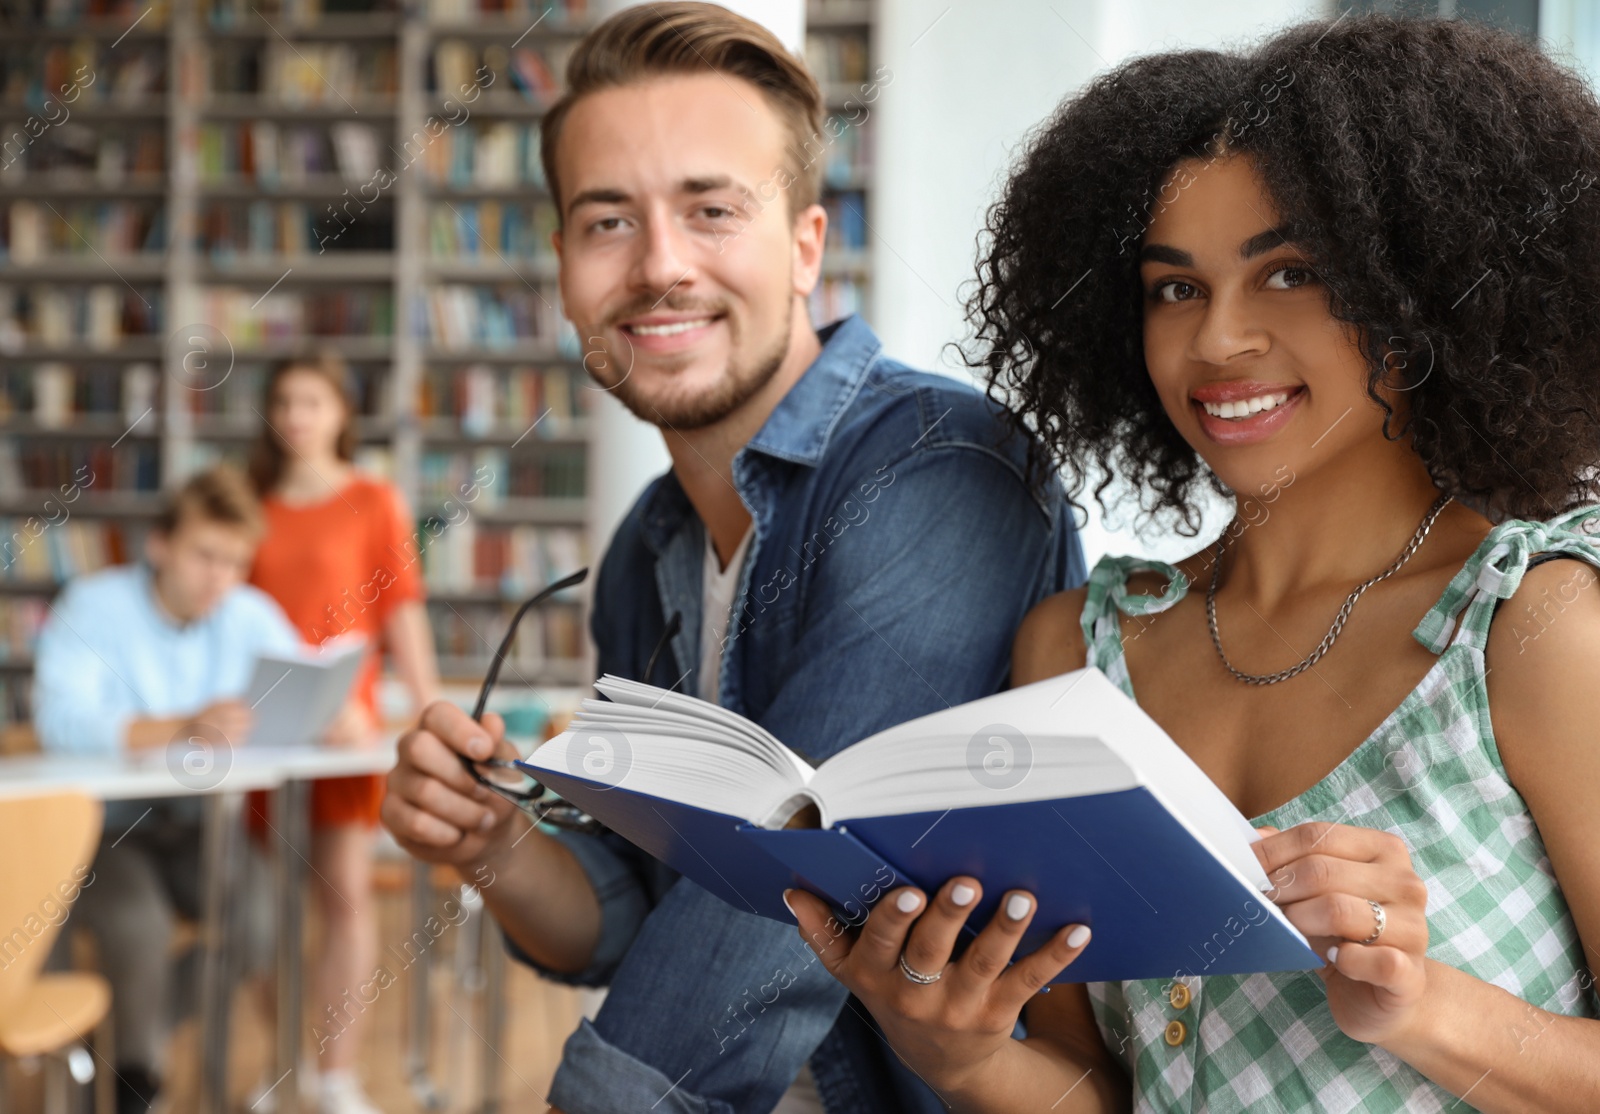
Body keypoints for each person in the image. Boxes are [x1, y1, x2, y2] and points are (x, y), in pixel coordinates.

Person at [784, 14, 1600, 1112]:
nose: (1216, 340)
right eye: (1174, 287)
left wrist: (1422, 1008)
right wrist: (960, 1054)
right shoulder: (1076, 648)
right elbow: (1110, 1092)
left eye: (1290, 272)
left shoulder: (1537, 627)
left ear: (1422, 290)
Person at [379, 4, 1085, 1112]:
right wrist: (497, 843)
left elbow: (811, 853)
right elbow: (625, 915)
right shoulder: (640, 554)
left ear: (805, 245)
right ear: (562, 262)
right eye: (607, 222)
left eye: (712, 210)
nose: (660, 267)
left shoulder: (942, 465)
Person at [33, 465, 299, 1114]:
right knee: (139, 930)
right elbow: (61, 723)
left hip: (202, 826)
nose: (220, 578)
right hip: (104, 830)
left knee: (263, 925)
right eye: (205, 555)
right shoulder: (92, 606)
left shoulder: (248, 613)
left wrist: (329, 707)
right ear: (160, 546)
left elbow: (297, 686)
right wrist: (182, 726)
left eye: (236, 562)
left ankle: (135, 1040)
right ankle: (135, 1077)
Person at [245, 351, 439, 1114]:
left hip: (341, 732)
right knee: (263, 916)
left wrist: (427, 709)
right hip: (261, 734)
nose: (298, 416)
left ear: (342, 414)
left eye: (314, 402)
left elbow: (402, 612)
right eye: (285, 401)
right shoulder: (246, 503)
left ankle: (336, 1073)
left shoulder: (374, 500)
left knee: (346, 901)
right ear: (270, 413)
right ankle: (284, 1061)